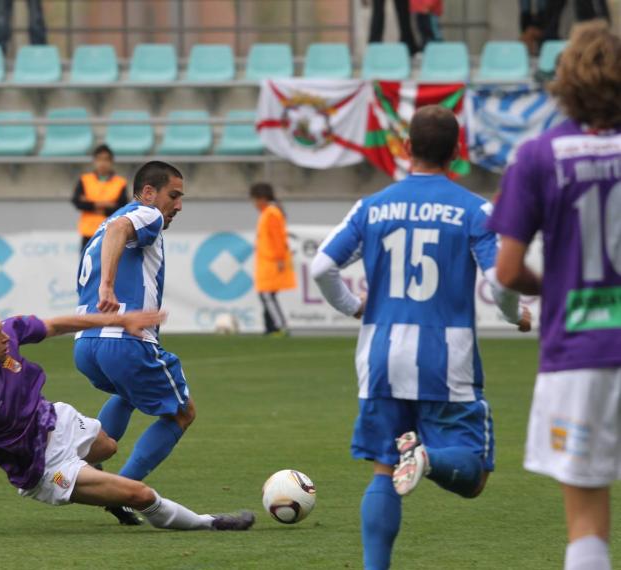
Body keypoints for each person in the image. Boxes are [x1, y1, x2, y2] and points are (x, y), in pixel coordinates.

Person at [311, 105, 532, 570]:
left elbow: (322, 267)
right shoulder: (474, 210)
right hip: (444, 357)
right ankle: (429, 458)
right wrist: (516, 316)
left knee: (383, 466)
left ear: (407, 148)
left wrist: (354, 309)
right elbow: (502, 283)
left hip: (380, 355)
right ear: (458, 152)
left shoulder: (371, 207)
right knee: (473, 475)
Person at [0, 304, 254, 539]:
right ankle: (209, 522)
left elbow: (58, 324)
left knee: (108, 447)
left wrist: (119, 319)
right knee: (139, 495)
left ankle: (94, 475)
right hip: (43, 468)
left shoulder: (8, 334)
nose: (6, 338)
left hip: (54, 420)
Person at [488, 21, 621, 570]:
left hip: (579, 356)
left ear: (564, 81)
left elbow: (509, 269)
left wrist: (556, 287)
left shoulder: (538, 156)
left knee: (586, 523)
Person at [73, 161, 188, 526]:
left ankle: (78, 464)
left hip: (87, 344)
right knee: (182, 413)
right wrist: (108, 286)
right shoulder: (144, 214)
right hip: (124, 341)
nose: (179, 205)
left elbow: (115, 232)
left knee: (129, 394)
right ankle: (123, 489)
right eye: (175, 195)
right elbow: (123, 229)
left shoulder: (101, 227)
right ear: (150, 192)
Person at [250, 182, 296, 336]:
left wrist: (280, 259)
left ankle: (279, 326)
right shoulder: (270, 212)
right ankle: (270, 328)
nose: (255, 204)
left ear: (262, 198)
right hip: (267, 261)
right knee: (267, 296)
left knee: (267, 295)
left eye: (255, 200)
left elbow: (278, 238)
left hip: (271, 262)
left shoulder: (271, 213)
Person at [71, 145, 129, 251]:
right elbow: (77, 202)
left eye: (106, 160)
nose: (102, 163)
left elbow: (122, 207)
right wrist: (106, 205)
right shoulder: (85, 180)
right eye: (99, 159)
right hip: (89, 233)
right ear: (94, 161)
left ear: (111, 162)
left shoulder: (120, 182)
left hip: (111, 232)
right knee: (87, 266)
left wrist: (91, 204)